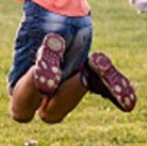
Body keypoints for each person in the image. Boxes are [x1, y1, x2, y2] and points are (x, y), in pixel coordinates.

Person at [8, 0, 136, 125]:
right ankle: (88, 76)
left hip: (45, 14)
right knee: (49, 115)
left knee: (20, 112)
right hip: (82, 21)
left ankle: (39, 63)